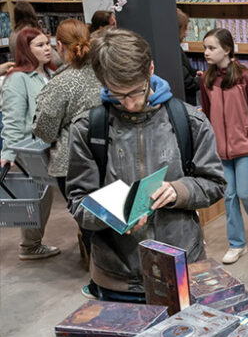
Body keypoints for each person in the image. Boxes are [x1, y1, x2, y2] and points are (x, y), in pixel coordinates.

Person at [66, 28, 225, 302]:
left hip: (184, 269)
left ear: (150, 69)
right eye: (117, 94)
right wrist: (111, 213)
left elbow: (215, 184)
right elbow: (78, 202)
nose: (128, 104)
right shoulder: (89, 129)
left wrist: (179, 191)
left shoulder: (188, 121)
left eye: (136, 91)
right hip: (116, 279)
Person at [32, 19, 103, 296]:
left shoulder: (61, 84)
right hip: (108, 156)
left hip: (72, 163)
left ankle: (100, 283)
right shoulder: (102, 73)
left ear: (59, 45)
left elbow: (45, 130)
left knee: (89, 224)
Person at [200, 28, 248, 264]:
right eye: (205, 48)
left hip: (244, 148)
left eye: (212, 48)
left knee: (245, 192)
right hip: (220, 151)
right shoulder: (206, 80)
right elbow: (207, 119)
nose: (207, 52)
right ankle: (237, 244)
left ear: (227, 50)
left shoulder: (245, 77)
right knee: (228, 196)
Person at [1, 27, 59, 260]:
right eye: (40, 45)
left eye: (48, 43)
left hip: (50, 145)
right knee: (38, 198)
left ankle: (31, 243)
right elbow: (13, 119)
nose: (47, 49)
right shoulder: (18, 79)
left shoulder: (49, 74)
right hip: (31, 149)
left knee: (46, 195)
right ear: (26, 50)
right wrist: (9, 152)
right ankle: (30, 245)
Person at [177, 8, 200, 106]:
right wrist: (206, 78)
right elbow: (188, 83)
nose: (186, 33)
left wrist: (194, 72)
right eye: (185, 28)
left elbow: (185, 68)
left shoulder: (175, 48)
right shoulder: (172, 52)